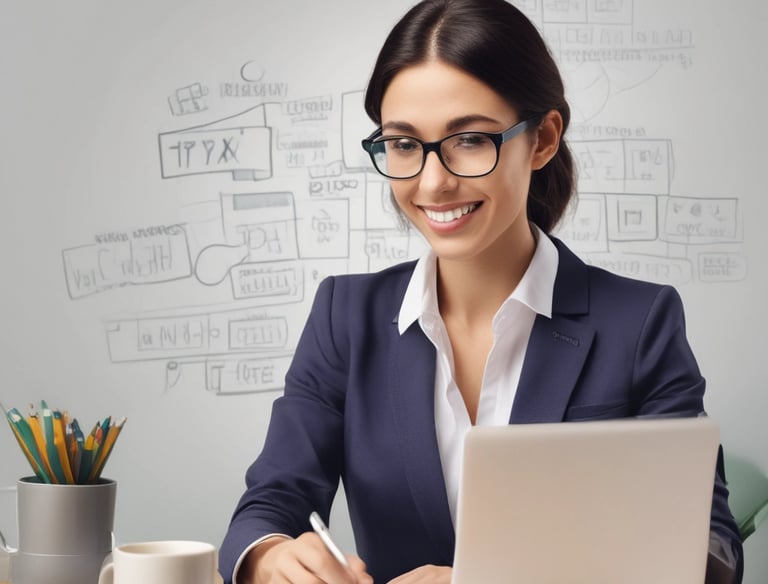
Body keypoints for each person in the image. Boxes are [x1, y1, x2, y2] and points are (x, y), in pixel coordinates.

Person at [219, 1, 744, 582]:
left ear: (542, 139)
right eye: (403, 144)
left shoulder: (640, 322)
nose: (433, 181)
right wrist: (269, 557)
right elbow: (269, 504)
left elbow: (711, 552)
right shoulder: (346, 316)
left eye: (468, 140)